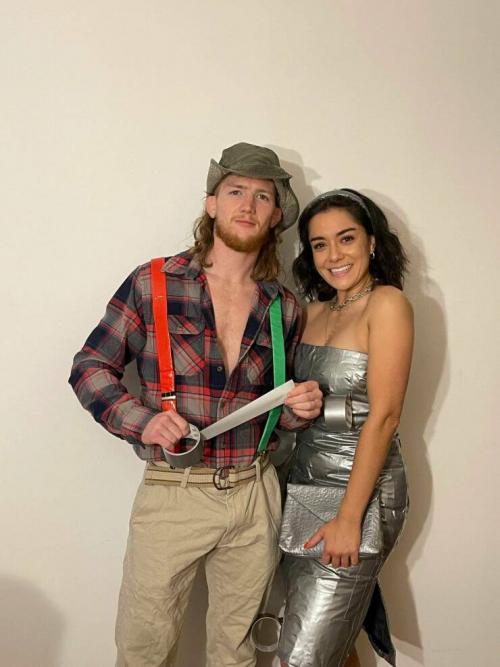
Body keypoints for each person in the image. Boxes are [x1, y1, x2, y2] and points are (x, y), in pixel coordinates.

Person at [69, 142, 323, 667]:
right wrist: (143, 422)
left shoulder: (283, 306)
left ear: (276, 215)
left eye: (262, 196)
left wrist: (299, 408)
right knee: (144, 647)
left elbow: (276, 413)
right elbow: (90, 367)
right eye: (235, 191)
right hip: (174, 493)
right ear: (212, 203)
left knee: (236, 652)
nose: (247, 205)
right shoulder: (154, 283)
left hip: (254, 492)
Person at [278, 189, 413, 667]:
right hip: (301, 485)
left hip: (360, 490)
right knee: (332, 642)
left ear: (372, 242)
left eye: (346, 238)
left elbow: (385, 416)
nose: (333, 255)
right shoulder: (311, 311)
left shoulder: (387, 304)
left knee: (302, 657)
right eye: (319, 244)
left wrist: (349, 518)